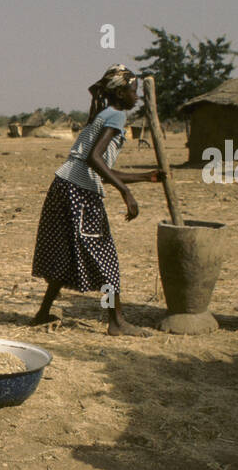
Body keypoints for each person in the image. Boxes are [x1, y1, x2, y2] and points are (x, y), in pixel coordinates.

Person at [29, 65, 160, 335]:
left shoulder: (103, 114)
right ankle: (116, 322)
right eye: (133, 91)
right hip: (80, 192)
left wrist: (145, 177)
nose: (136, 97)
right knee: (106, 257)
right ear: (120, 92)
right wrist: (126, 192)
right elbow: (94, 159)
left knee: (63, 254)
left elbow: (99, 166)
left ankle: (42, 313)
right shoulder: (116, 115)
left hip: (63, 185)